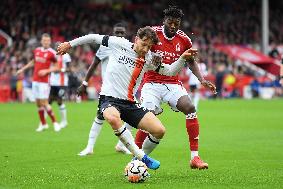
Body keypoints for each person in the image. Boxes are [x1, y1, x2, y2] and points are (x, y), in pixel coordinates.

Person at [57, 26, 197, 169]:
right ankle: (143, 158)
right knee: (112, 118)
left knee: (159, 130)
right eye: (143, 44)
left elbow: (170, 71)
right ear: (136, 39)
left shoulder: (149, 59)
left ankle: (136, 161)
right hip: (109, 99)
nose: (145, 49)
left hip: (130, 103)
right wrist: (69, 44)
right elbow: (93, 37)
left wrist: (182, 59)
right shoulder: (118, 43)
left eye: (149, 47)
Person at [132, 6, 216, 170]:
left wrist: (202, 80)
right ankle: (135, 156)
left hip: (172, 83)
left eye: (176, 23)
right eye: (170, 22)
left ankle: (195, 158)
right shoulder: (153, 34)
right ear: (164, 21)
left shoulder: (184, 39)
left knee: (190, 107)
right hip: (151, 83)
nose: (173, 26)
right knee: (147, 116)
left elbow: (190, 61)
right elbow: (140, 48)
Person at [77, 23, 132, 156]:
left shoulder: (129, 47)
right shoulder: (106, 46)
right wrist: (84, 83)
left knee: (132, 117)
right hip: (108, 89)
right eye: (117, 32)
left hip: (125, 89)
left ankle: (121, 145)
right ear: (113, 32)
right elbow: (94, 64)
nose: (119, 35)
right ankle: (89, 147)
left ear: (125, 34)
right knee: (100, 116)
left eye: (121, 33)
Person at [16, 33, 61, 132]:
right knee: (38, 104)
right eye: (44, 40)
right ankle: (43, 124)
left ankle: (55, 123)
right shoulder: (37, 50)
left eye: (47, 41)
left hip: (44, 82)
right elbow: (33, 61)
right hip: (35, 80)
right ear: (41, 41)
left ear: (50, 42)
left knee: (45, 103)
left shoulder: (52, 53)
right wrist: (22, 69)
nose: (46, 42)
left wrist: (47, 71)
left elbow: (58, 67)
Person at [48, 49, 71, 128]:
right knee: (49, 101)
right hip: (53, 82)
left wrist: (60, 70)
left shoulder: (66, 56)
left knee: (59, 101)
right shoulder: (52, 56)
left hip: (62, 83)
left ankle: (64, 121)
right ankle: (44, 123)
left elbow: (69, 69)